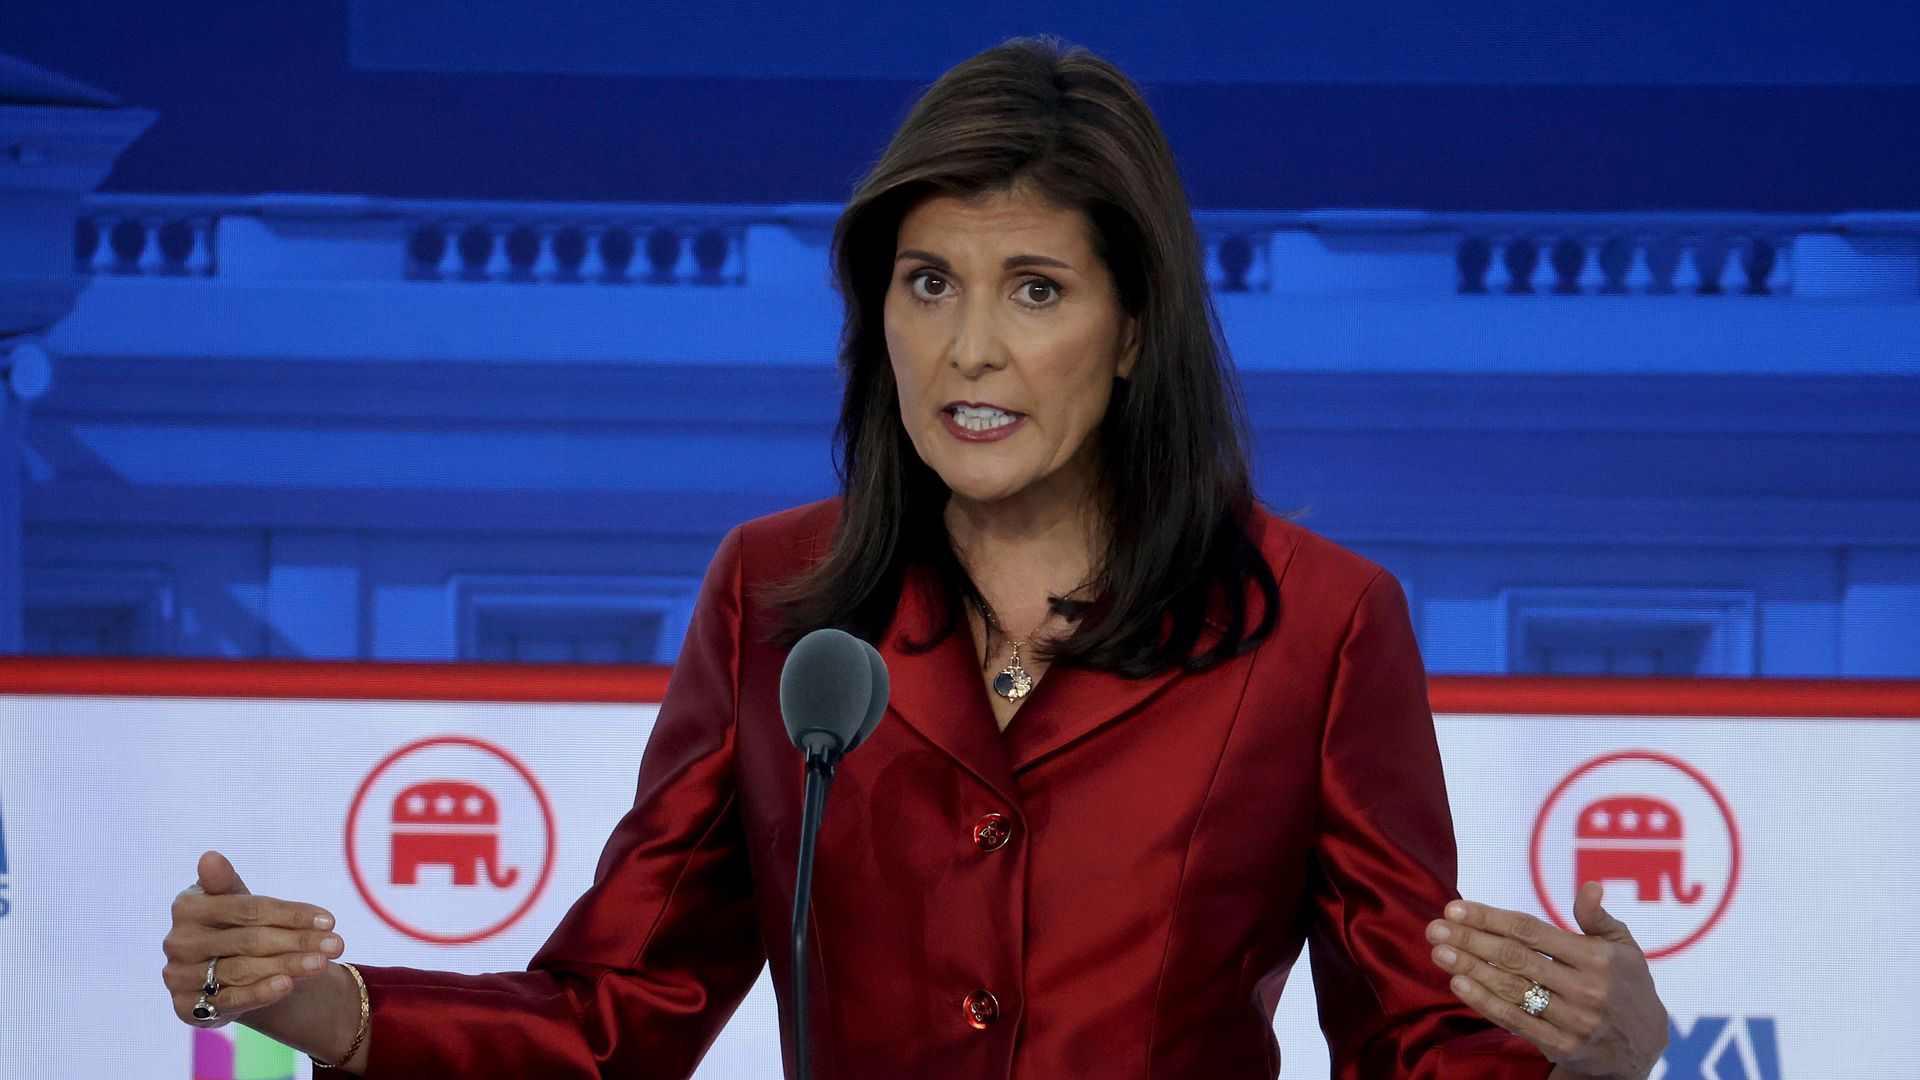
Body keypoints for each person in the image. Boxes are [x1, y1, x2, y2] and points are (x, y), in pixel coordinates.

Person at [161, 37, 1668, 1079]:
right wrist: (342, 1015)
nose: (968, 348)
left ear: (1134, 328)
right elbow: (615, 1015)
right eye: (929, 282)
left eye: (1035, 289)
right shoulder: (774, 601)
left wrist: (1597, 1057)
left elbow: (1410, 1046)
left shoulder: (1318, 625)